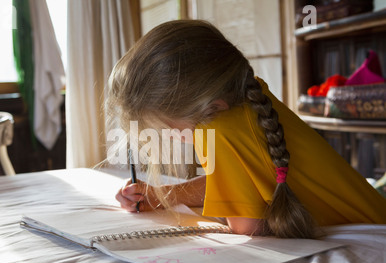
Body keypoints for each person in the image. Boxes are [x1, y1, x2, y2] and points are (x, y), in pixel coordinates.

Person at [106, 20, 386, 238]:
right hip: (373, 211)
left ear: (207, 107)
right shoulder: (247, 97)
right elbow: (234, 180)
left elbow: (246, 229)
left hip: (372, 232)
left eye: (166, 128)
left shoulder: (215, 127)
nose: (169, 137)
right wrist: (161, 195)